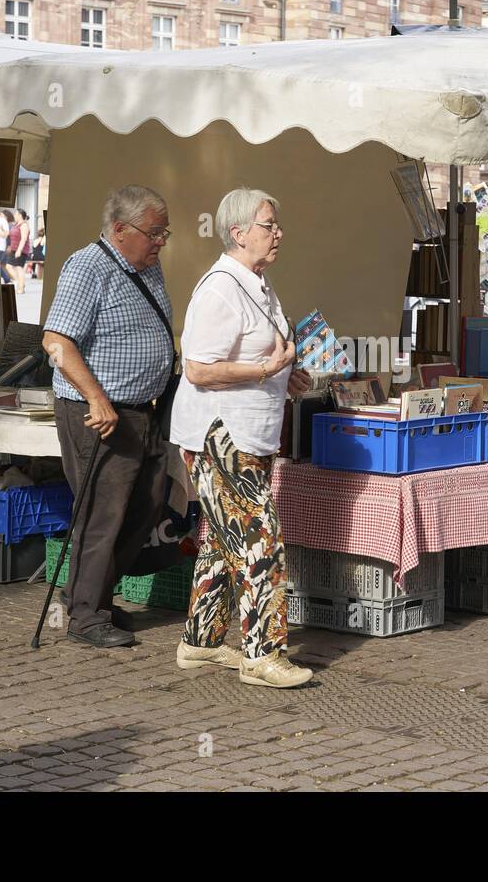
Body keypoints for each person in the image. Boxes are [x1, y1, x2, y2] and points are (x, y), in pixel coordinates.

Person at [170, 188, 314, 689]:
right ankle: (263, 654)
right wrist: (263, 369)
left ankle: (201, 643)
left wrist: (284, 376)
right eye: (269, 225)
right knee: (261, 538)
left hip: (251, 433)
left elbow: (264, 356)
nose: (278, 233)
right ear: (238, 233)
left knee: (223, 540)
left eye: (275, 224)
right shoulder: (219, 289)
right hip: (218, 435)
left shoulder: (258, 282)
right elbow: (197, 369)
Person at [42, 185, 176, 648]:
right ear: (120, 229)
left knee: (148, 505)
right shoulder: (88, 266)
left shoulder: (147, 267)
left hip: (143, 410)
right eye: (153, 232)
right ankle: (85, 614)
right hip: (100, 412)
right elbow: (56, 341)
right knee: (103, 513)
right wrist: (96, 397)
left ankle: (89, 592)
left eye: (164, 233)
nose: (160, 241)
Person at [5, 208, 31, 294]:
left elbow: (23, 239)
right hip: (13, 249)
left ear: (20, 215)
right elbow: (10, 235)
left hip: (22, 249)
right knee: (8, 266)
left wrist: (19, 250)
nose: (14, 216)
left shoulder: (24, 225)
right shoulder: (16, 225)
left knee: (19, 267)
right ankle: (20, 283)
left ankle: (21, 287)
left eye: (15, 214)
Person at [0, 208, 12, 284]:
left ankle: (7, 279)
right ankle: (6, 279)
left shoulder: (3, 221)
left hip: (0, 247)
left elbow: (5, 234)